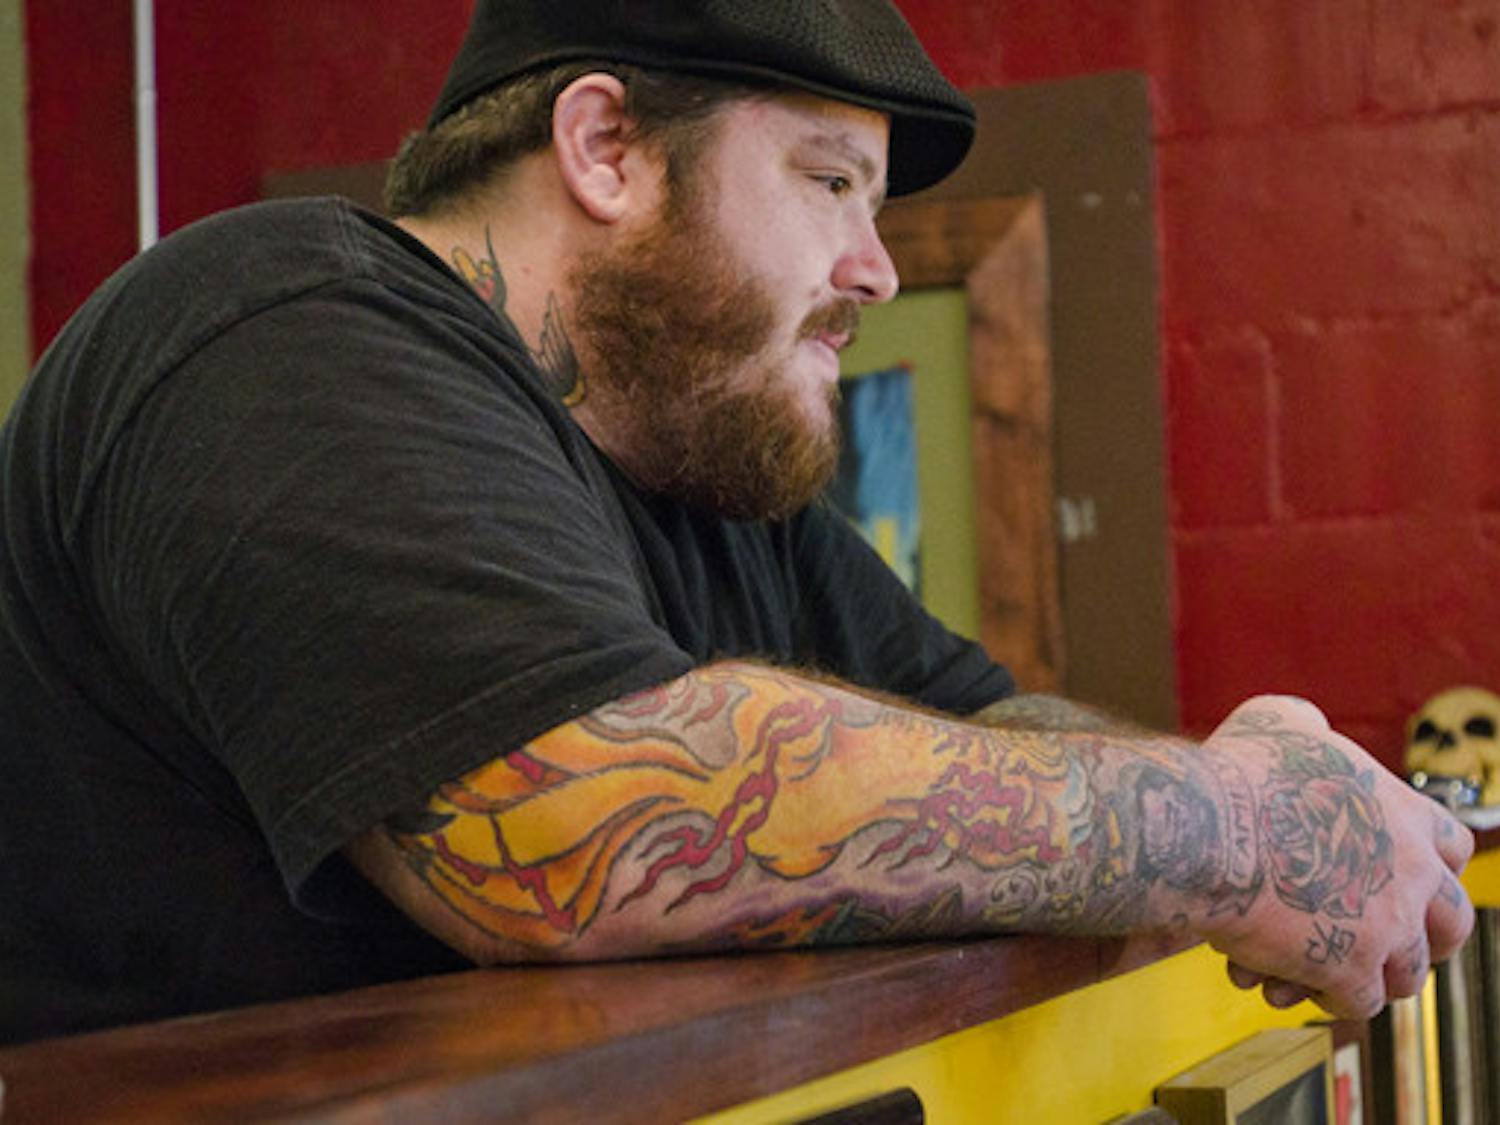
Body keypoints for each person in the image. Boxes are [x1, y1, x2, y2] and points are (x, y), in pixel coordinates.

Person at [0, 0, 1472, 1046]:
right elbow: (576, 827)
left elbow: (991, 728)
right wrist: (1231, 829)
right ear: (607, 149)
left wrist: (1257, 783)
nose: (875, 268)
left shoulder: (696, 463)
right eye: (830, 182)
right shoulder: (285, 326)